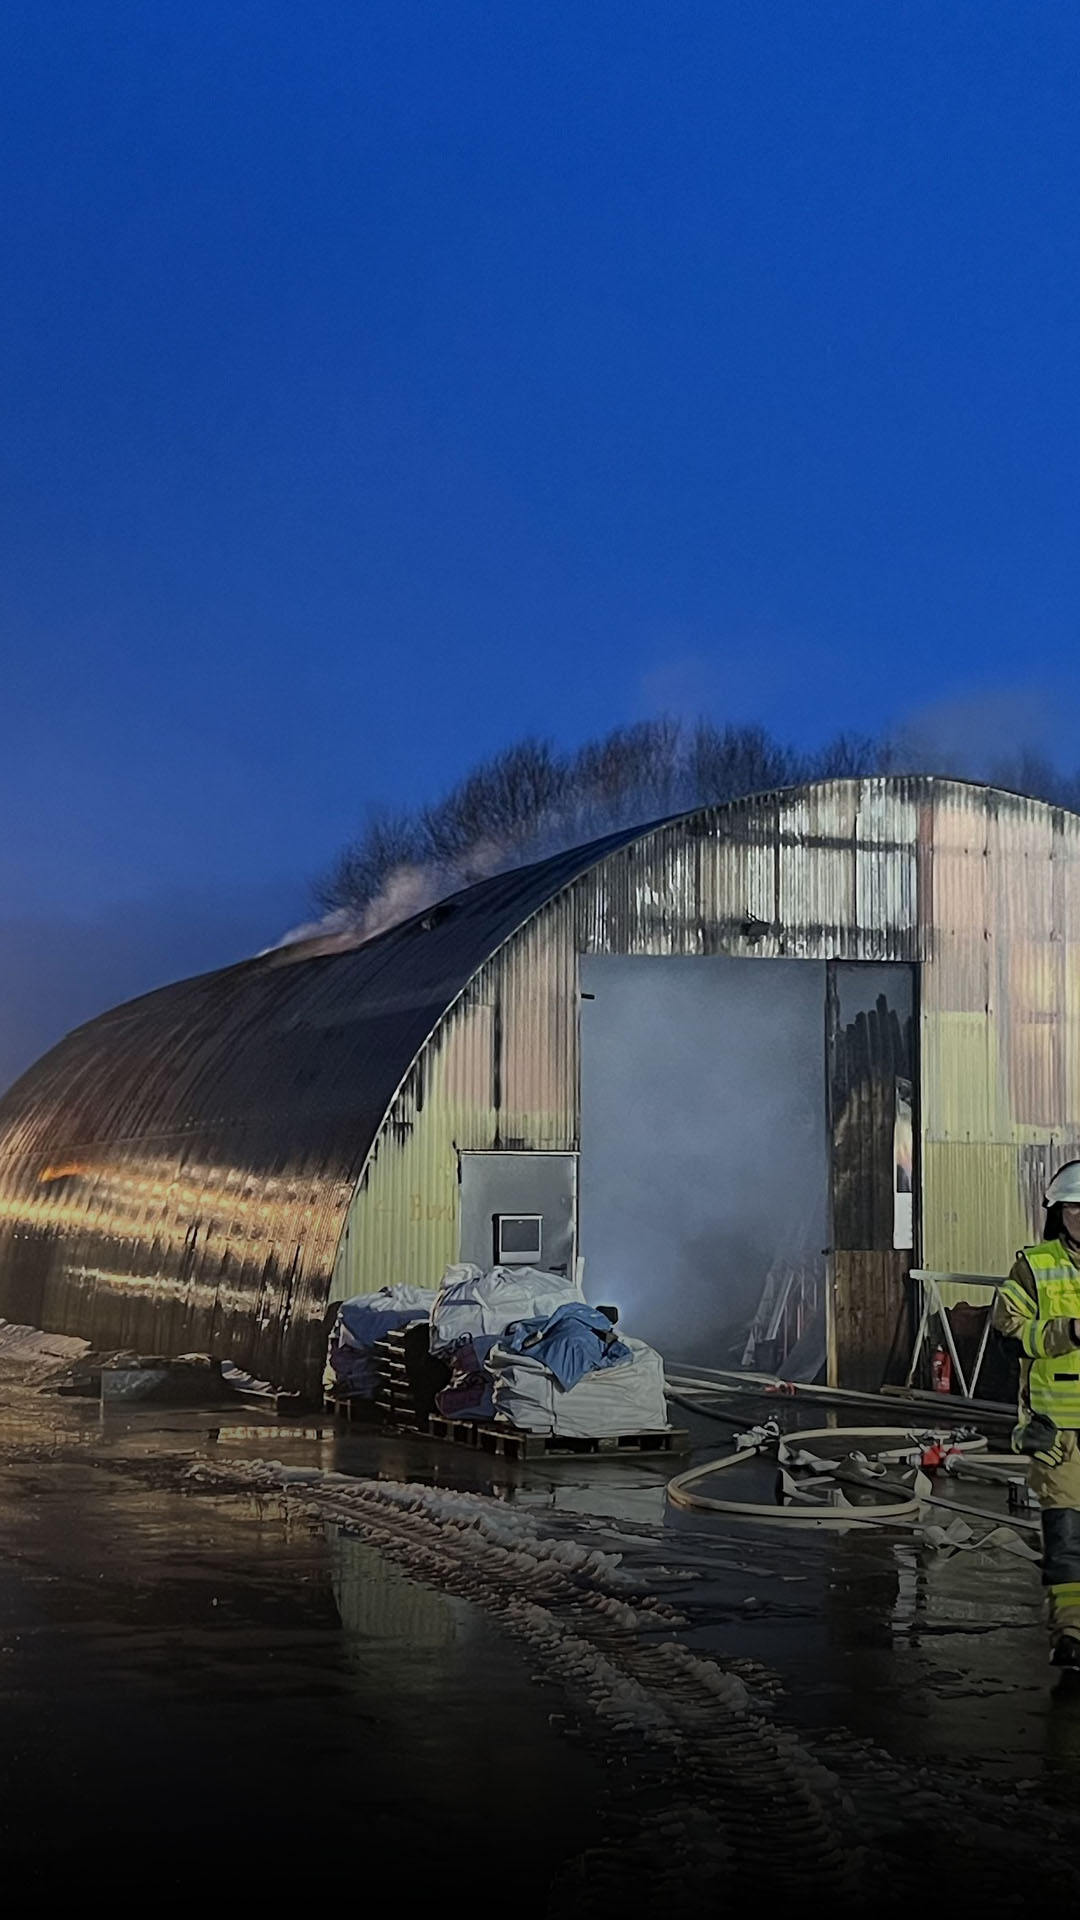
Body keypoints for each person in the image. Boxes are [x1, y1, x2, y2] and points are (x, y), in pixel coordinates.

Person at [994, 1161, 1080, 1669]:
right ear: (1058, 1213)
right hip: (1060, 1434)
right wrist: (1066, 1332)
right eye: (1073, 1208)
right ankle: (1071, 1634)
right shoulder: (1035, 1265)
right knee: (1068, 1537)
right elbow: (1009, 1333)